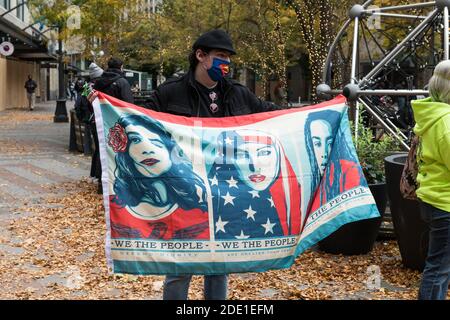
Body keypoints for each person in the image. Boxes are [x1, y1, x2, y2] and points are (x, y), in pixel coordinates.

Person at [89, 29, 287, 300]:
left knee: (219, 266)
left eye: (228, 57)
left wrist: (316, 110)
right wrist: (102, 105)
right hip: (183, 189)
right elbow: (138, 120)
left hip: (226, 191)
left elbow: (271, 114)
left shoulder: (239, 94)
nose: (226, 63)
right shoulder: (170, 93)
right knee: (180, 265)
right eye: (220, 56)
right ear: (200, 56)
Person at [107, 114, 209, 240]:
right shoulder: (116, 208)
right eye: (136, 140)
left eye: (156, 142)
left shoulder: (198, 213)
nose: (147, 150)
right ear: (126, 152)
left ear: (172, 153)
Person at [209, 129, 302, 239]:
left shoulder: (295, 196)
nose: (255, 166)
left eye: (264, 153)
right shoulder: (213, 202)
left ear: (279, 156)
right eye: (242, 155)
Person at [411, 60, 450, 300]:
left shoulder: (432, 115)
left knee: (441, 267)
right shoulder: (446, 123)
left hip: (432, 197)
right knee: (439, 269)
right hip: (445, 202)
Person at [304, 110, 362, 214]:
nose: (324, 152)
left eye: (330, 143)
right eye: (317, 144)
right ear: (309, 145)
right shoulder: (303, 172)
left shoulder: (349, 170)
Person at [74, 63, 104, 188]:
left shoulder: (86, 88)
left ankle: (93, 174)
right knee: (99, 148)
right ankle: (97, 175)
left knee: (96, 148)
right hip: (95, 121)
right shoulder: (94, 89)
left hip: (90, 121)